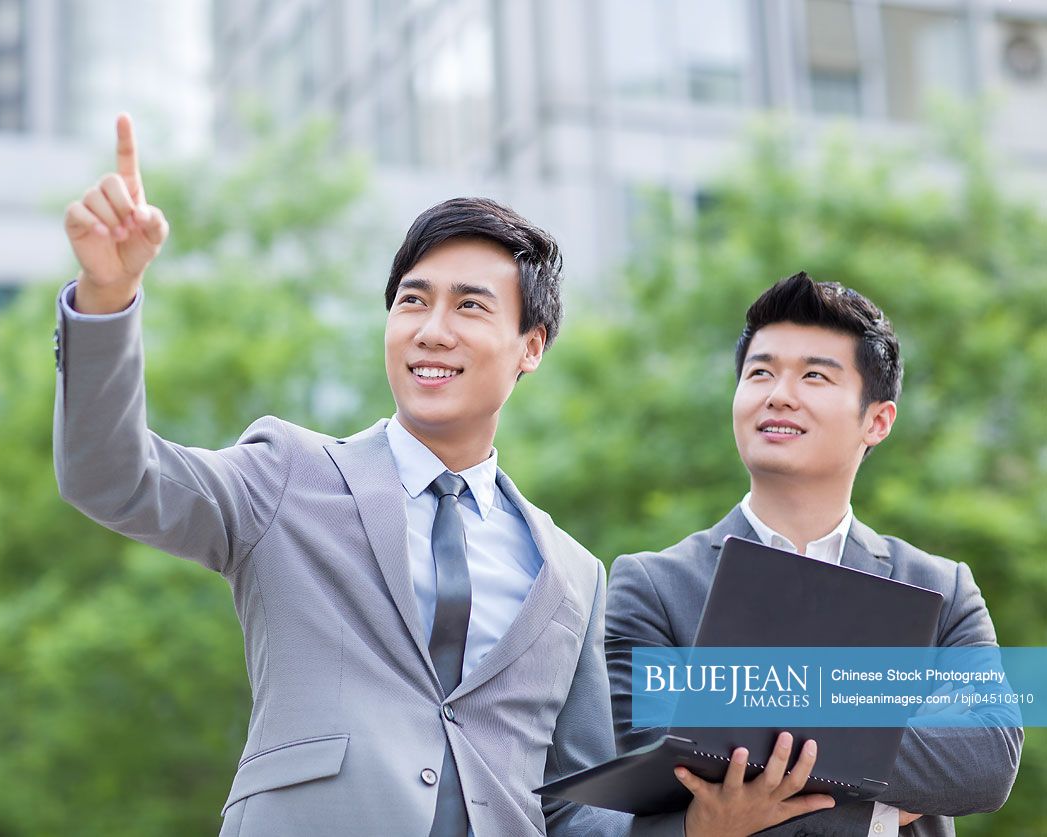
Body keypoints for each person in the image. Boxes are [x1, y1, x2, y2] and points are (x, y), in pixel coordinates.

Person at [54, 115, 834, 836]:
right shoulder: (287, 473)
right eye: (411, 301)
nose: (430, 329)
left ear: (529, 346)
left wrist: (703, 823)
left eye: (468, 306)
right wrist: (108, 298)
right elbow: (112, 475)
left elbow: (569, 805)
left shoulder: (570, 573)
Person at [605, 272, 1023, 837]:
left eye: (814, 376)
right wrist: (878, 805)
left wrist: (744, 761)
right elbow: (649, 785)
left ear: (877, 420)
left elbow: (985, 765)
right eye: (760, 372)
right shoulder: (653, 587)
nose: (779, 393)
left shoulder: (942, 591)